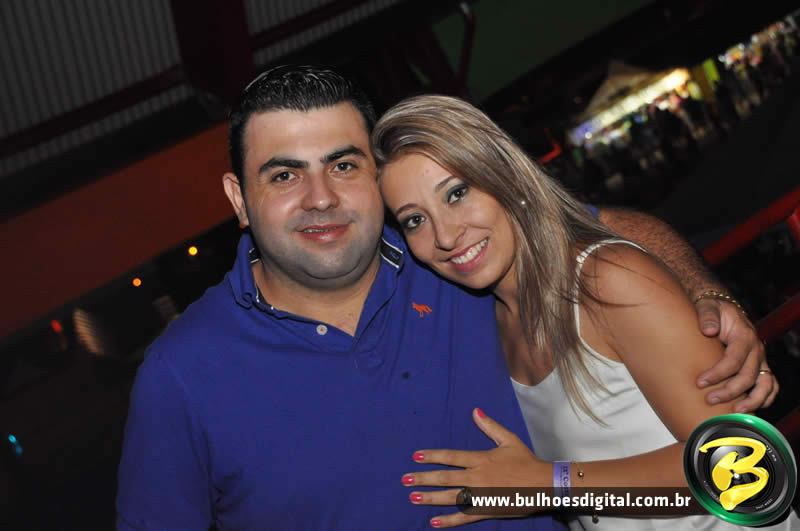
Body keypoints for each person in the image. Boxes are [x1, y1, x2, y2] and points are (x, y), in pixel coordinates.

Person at [116, 67, 774, 530]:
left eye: (343, 165)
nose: (321, 197)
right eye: (284, 174)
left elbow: (605, 231)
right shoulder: (181, 375)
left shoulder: (459, 263)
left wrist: (705, 293)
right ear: (239, 199)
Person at [373, 94, 792, 529]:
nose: (445, 235)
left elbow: (748, 469)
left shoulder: (606, 279)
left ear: (506, 178)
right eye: (414, 220)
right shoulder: (493, 322)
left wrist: (551, 485)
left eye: (457, 193)